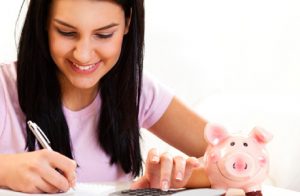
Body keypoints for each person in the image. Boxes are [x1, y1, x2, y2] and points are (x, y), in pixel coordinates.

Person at [0, 0, 210, 193]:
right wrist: (5, 169)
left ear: (127, 23)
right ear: (44, 21)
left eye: (103, 35)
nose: (83, 54)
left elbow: (234, 158)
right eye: (66, 32)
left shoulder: (137, 91)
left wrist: (178, 178)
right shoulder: (4, 87)